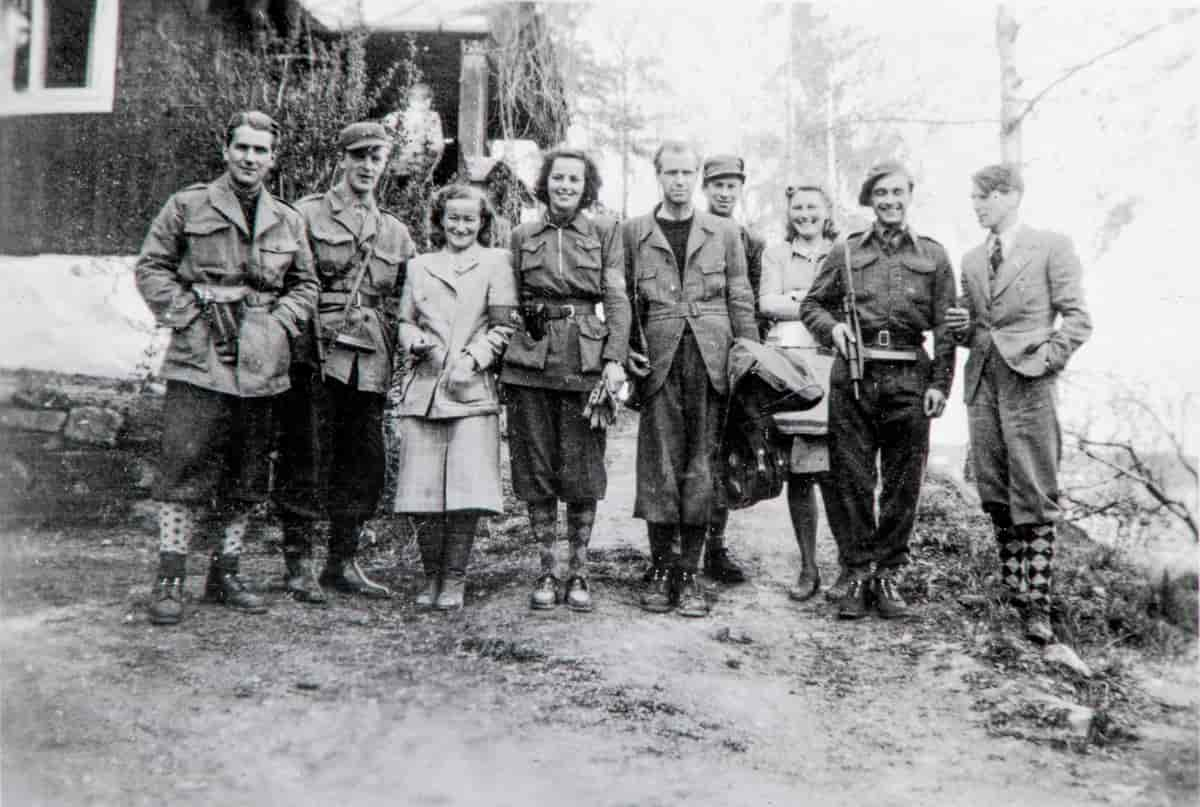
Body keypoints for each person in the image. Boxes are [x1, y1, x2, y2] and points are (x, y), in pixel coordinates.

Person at [135, 110, 318, 626]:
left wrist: (280, 322)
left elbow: (305, 285)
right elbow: (152, 266)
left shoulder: (287, 218)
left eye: (260, 151)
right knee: (185, 466)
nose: (250, 158)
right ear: (226, 149)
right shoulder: (188, 204)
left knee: (247, 472)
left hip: (262, 360)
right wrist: (190, 316)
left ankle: (226, 572)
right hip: (200, 358)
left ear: (272, 159)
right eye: (242, 147)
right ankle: (170, 578)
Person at [800, 161, 955, 620]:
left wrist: (941, 384)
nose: (890, 201)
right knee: (851, 477)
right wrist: (832, 331)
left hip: (910, 375)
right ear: (870, 201)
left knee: (903, 483)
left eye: (897, 192)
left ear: (910, 195)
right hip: (855, 375)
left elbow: (947, 325)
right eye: (880, 194)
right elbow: (812, 304)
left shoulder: (933, 256)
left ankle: (887, 573)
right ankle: (857, 571)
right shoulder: (845, 253)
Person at [946, 163, 1091, 643]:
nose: (976, 205)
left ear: (1010, 196)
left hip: (1030, 385)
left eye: (983, 197)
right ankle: (1012, 589)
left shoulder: (1050, 246)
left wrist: (1047, 360)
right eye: (974, 198)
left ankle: (1039, 604)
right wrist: (960, 327)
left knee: (1035, 488)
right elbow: (975, 328)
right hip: (984, 382)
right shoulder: (970, 259)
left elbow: (1077, 319)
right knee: (995, 488)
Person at [273, 121, 416, 603]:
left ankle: (342, 561)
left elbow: (408, 300)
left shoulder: (394, 230)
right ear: (343, 159)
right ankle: (299, 565)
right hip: (316, 352)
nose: (368, 166)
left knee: (363, 462)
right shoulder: (306, 214)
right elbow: (287, 283)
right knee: (307, 455)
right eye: (359, 156)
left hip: (370, 360)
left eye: (376, 159)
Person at [623, 141, 758, 617]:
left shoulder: (722, 231)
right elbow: (621, 299)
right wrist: (625, 352)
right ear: (657, 176)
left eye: (686, 173)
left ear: (695, 178)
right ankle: (661, 567)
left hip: (712, 355)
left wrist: (748, 354)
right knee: (659, 463)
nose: (679, 181)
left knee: (703, 463)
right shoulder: (634, 232)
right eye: (670, 172)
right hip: (659, 357)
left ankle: (691, 570)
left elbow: (741, 296)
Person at [501, 148, 631, 613]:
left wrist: (615, 358)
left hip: (584, 358)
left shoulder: (605, 233)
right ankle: (545, 569)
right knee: (534, 468)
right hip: (529, 359)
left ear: (586, 186)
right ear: (546, 182)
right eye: (558, 178)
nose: (565, 186)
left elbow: (617, 299)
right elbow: (507, 298)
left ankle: (579, 572)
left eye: (575, 179)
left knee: (581, 469)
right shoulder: (521, 234)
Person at [390, 184, 518, 610]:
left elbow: (504, 326)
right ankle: (430, 578)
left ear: (483, 223)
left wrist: (474, 358)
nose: (461, 226)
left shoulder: (497, 263)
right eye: (453, 218)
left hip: (470, 388)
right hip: (425, 389)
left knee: (466, 490)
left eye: (470, 219)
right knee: (422, 489)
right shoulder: (419, 266)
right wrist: (415, 343)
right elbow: (403, 322)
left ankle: (455, 579)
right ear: (439, 220)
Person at [758, 181, 838, 602]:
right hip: (789, 368)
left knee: (838, 469)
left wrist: (797, 300)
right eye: (798, 208)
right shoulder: (775, 254)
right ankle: (808, 566)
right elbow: (766, 303)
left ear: (827, 211)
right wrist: (814, 304)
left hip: (832, 364)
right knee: (800, 471)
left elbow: (845, 308)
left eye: (813, 207)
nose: (805, 215)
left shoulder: (841, 252)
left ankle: (850, 565)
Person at [698, 153, 766, 584]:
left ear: (741, 190)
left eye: (732, 186)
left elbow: (753, 302)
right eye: (718, 185)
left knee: (726, 452)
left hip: (733, 358)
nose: (725, 193)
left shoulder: (751, 242)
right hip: (694, 352)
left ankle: (716, 547)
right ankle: (673, 547)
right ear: (706, 188)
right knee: (690, 451)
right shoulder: (694, 230)